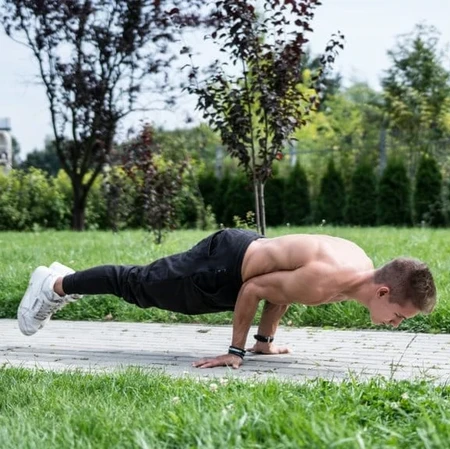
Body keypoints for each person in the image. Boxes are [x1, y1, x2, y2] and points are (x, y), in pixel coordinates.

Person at [18, 228, 436, 369]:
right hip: (221, 269)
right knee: (139, 284)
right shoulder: (327, 280)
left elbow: (282, 291)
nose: (396, 324)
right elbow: (255, 290)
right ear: (383, 292)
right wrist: (234, 352)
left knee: (141, 284)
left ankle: (62, 280)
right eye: (399, 315)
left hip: (238, 254)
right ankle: (55, 285)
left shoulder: (358, 265)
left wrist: (263, 343)